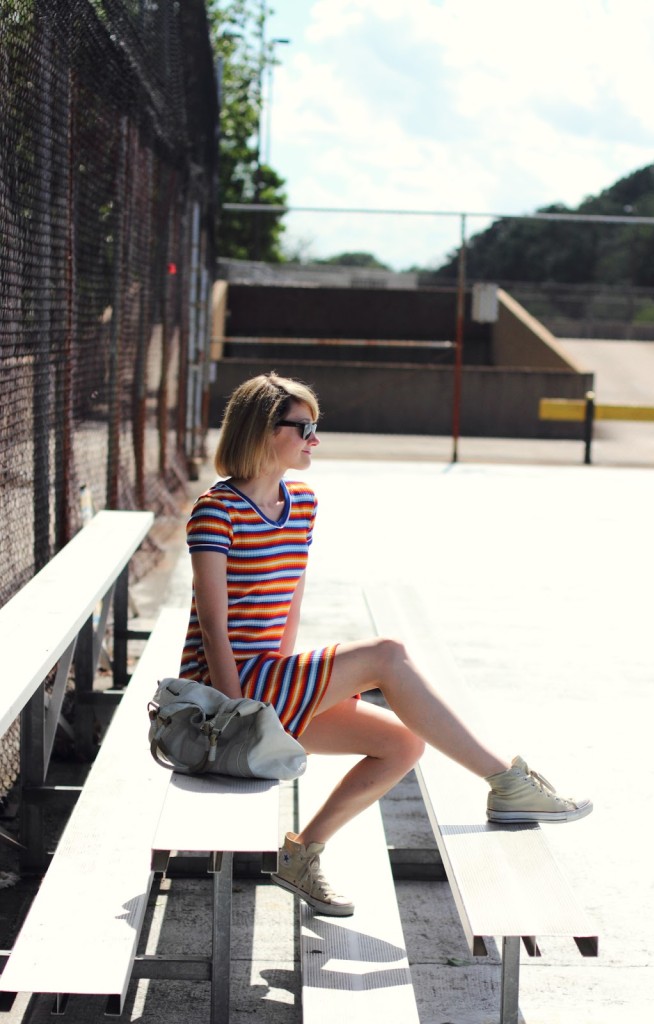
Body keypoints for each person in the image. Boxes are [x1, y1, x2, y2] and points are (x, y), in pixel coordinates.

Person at [180, 372, 592, 918]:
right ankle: (507, 780)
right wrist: (237, 714)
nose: (314, 440)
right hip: (221, 691)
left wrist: (295, 686)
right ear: (262, 429)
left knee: (403, 745)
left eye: (315, 427)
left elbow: (289, 609)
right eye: (302, 427)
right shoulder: (218, 509)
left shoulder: (299, 504)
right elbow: (212, 627)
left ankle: (301, 854)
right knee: (386, 654)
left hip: (267, 679)